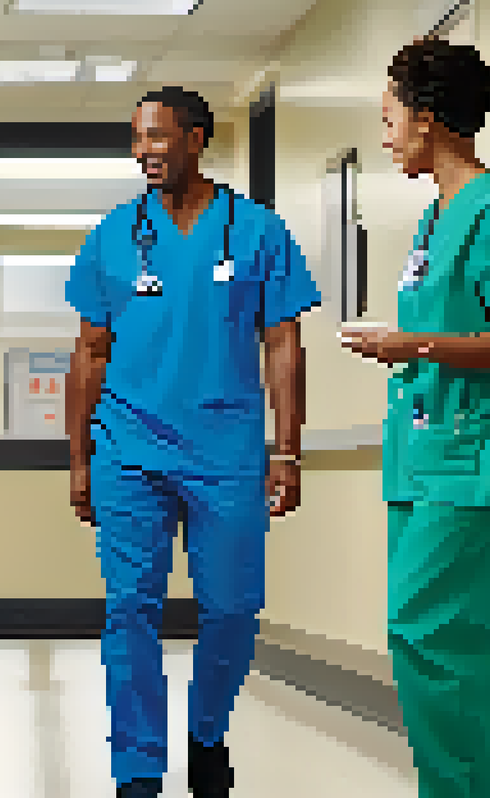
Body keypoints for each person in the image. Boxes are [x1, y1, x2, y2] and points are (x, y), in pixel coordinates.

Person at [65, 86, 322, 798]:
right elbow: (88, 354)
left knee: (234, 609)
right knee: (130, 610)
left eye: (158, 137)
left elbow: (283, 344)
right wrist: (80, 459)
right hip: (129, 450)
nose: (144, 151)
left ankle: (206, 731)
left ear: (198, 138)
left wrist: (287, 448)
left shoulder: (259, 233)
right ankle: (138, 769)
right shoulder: (112, 236)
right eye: (137, 138)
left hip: (227, 453)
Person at [339, 38, 490, 798]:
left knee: (425, 634)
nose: (385, 137)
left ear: (427, 119)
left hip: (471, 462)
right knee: (466, 646)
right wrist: (406, 349)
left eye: (390, 120)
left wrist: (411, 342)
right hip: (424, 457)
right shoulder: (435, 219)